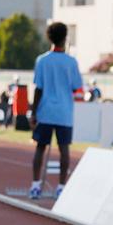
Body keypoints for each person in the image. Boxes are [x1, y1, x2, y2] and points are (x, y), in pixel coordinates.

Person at [30, 23, 82, 199]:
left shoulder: (42, 60)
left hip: (45, 111)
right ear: (65, 37)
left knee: (40, 147)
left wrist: (34, 112)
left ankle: (35, 185)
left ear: (49, 37)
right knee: (64, 149)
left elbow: (38, 88)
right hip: (64, 112)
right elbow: (76, 87)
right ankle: (61, 187)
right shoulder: (71, 61)